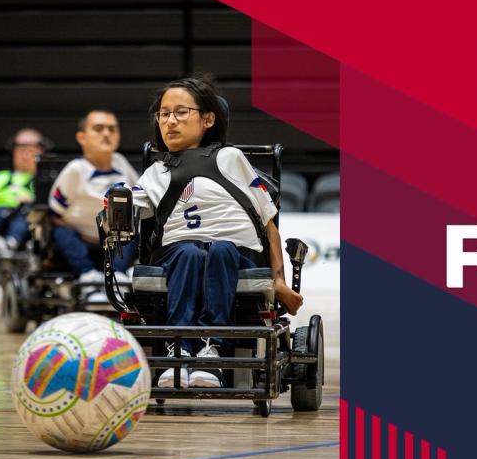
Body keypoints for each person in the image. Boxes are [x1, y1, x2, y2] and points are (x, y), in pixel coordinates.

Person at [131, 74, 303, 388]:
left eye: (181, 112)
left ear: (208, 119)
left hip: (237, 254)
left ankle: (212, 352)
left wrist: (278, 282)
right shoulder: (155, 172)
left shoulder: (231, 158)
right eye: (164, 114)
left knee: (221, 248)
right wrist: (115, 205)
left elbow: (269, 224)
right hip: (178, 253)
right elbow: (125, 211)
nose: (170, 121)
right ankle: (178, 350)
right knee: (189, 252)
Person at [48, 110, 139, 286]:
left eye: (112, 129)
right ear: (81, 137)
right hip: (81, 243)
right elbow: (54, 214)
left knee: (136, 227)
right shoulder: (75, 170)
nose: (106, 134)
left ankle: (118, 277)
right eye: (98, 128)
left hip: (116, 243)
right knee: (61, 232)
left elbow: (139, 200)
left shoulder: (121, 162)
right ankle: (87, 277)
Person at [0, 128, 50, 254]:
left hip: (24, 217)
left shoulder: (43, 180)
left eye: (30, 151)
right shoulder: (0, 177)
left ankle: (11, 242)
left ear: (41, 152)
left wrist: (30, 200)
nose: (25, 155)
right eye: (21, 150)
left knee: (25, 213)